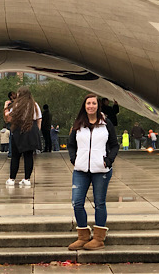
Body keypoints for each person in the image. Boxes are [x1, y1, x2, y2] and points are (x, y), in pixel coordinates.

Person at [67, 93, 119, 251]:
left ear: (98, 106)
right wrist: (74, 159)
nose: (91, 106)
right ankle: (83, 236)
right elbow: (71, 144)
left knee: (99, 203)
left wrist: (108, 160)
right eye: (88, 103)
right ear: (84, 105)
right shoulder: (79, 124)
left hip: (100, 169)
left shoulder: (106, 124)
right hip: (81, 170)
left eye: (94, 103)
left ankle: (98, 238)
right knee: (77, 202)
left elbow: (115, 145)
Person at [6, 87, 42, 187]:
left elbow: (9, 118)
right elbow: (39, 119)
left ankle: (12, 178)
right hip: (31, 131)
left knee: (15, 156)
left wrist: (6, 107)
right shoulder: (34, 105)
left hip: (18, 132)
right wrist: (37, 131)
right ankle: (27, 179)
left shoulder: (17, 105)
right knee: (28, 156)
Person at [3, 91, 17, 158]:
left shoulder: (9, 103)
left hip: (12, 122)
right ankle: (12, 152)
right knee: (13, 137)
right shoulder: (10, 104)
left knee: (12, 137)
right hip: (13, 122)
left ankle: (11, 153)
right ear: (11, 96)